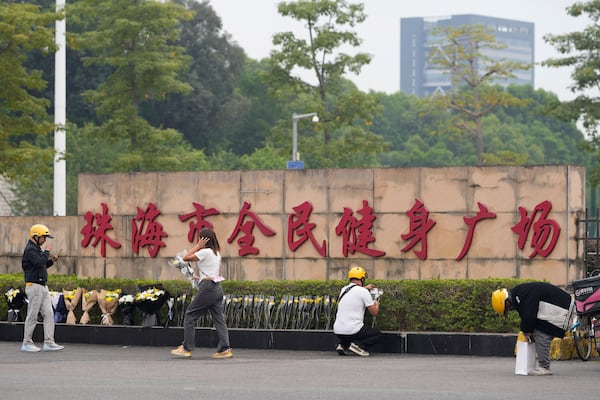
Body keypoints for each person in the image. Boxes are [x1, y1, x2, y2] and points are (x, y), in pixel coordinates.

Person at [171, 228, 233, 359]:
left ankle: (186, 348)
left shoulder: (205, 251)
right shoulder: (216, 253)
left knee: (190, 315)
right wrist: (200, 277)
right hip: (216, 287)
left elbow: (185, 258)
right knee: (219, 319)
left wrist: (197, 247)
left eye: (200, 239)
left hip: (208, 288)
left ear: (204, 240)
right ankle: (225, 348)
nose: (198, 241)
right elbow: (211, 271)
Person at [491, 282, 574, 376]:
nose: (510, 309)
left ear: (508, 301)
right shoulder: (519, 294)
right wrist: (527, 331)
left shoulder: (522, 295)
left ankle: (544, 366)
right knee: (537, 328)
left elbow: (529, 316)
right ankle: (543, 364)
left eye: (508, 308)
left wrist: (526, 331)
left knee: (542, 333)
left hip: (561, 307)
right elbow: (526, 315)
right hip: (560, 304)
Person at [21, 224, 64, 352]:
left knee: (49, 314)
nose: (45, 240)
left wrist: (52, 261)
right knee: (32, 315)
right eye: (43, 237)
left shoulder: (36, 249)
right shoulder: (30, 249)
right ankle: (26, 342)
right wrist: (46, 252)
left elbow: (41, 266)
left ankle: (49, 342)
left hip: (42, 286)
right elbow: (39, 263)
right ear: (36, 236)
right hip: (34, 286)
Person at [333, 266, 381, 356]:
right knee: (376, 334)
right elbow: (374, 312)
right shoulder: (363, 292)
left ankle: (342, 345)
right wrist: (377, 305)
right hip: (353, 330)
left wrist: (365, 288)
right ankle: (359, 346)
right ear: (362, 278)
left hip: (337, 331)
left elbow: (355, 291)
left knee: (349, 331)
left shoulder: (344, 290)